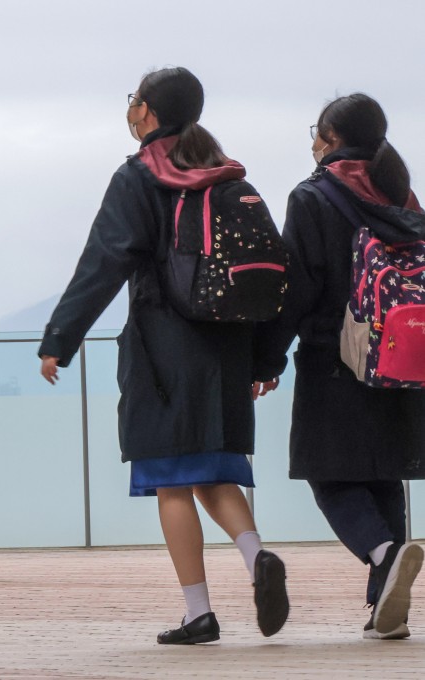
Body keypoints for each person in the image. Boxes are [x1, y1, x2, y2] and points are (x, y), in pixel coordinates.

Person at [38, 67, 288, 644]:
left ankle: (198, 612)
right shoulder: (224, 174)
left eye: (133, 101)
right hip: (229, 347)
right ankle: (257, 558)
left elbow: (104, 260)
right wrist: (265, 360)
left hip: (163, 347)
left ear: (147, 112)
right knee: (216, 473)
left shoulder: (140, 177)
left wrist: (60, 338)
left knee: (173, 482)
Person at [254, 93, 425, 640]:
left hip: (336, 356)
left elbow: (295, 287)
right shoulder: (404, 197)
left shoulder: (314, 196)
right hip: (402, 356)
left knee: (327, 473)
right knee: (382, 475)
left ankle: (385, 552)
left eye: (316, 131)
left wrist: (265, 356)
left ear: (330, 138)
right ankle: (384, 608)